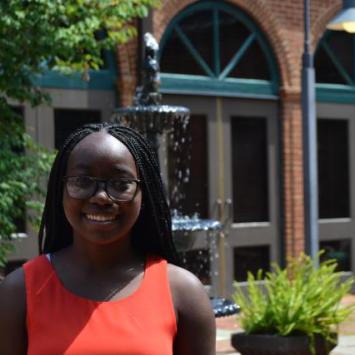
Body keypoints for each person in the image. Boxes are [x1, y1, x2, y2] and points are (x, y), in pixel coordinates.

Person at [0, 123, 216, 355]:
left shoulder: (184, 293)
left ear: (145, 195)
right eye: (82, 182)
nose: (101, 197)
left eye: (121, 184)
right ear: (59, 190)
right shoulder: (19, 291)